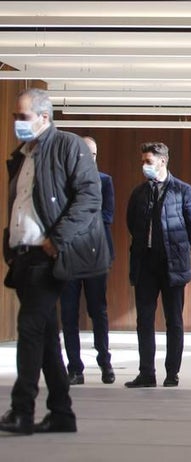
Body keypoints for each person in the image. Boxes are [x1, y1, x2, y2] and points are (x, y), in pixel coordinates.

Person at [2, 88, 102, 435]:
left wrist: (56, 239)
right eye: (15, 116)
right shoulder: (22, 156)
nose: (17, 122)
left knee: (29, 328)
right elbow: (21, 204)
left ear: (44, 117)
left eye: (23, 116)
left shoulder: (67, 146)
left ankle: (22, 410)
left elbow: (90, 197)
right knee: (45, 336)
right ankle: (61, 413)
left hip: (48, 257)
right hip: (23, 257)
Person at [124, 141, 191, 389]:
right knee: (144, 320)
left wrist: (178, 248)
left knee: (174, 320)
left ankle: (172, 373)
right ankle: (146, 373)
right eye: (143, 162)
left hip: (172, 265)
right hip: (145, 263)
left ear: (162, 161)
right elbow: (131, 223)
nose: (144, 166)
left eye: (148, 161)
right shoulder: (139, 193)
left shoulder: (184, 191)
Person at [59, 136, 116, 385]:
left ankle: (105, 362)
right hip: (69, 256)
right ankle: (75, 368)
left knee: (98, 311)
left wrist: (76, 221)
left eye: (92, 154)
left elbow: (107, 217)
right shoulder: (63, 182)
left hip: (95, 255)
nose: (88, 158)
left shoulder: (104, 181)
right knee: (69, 313)